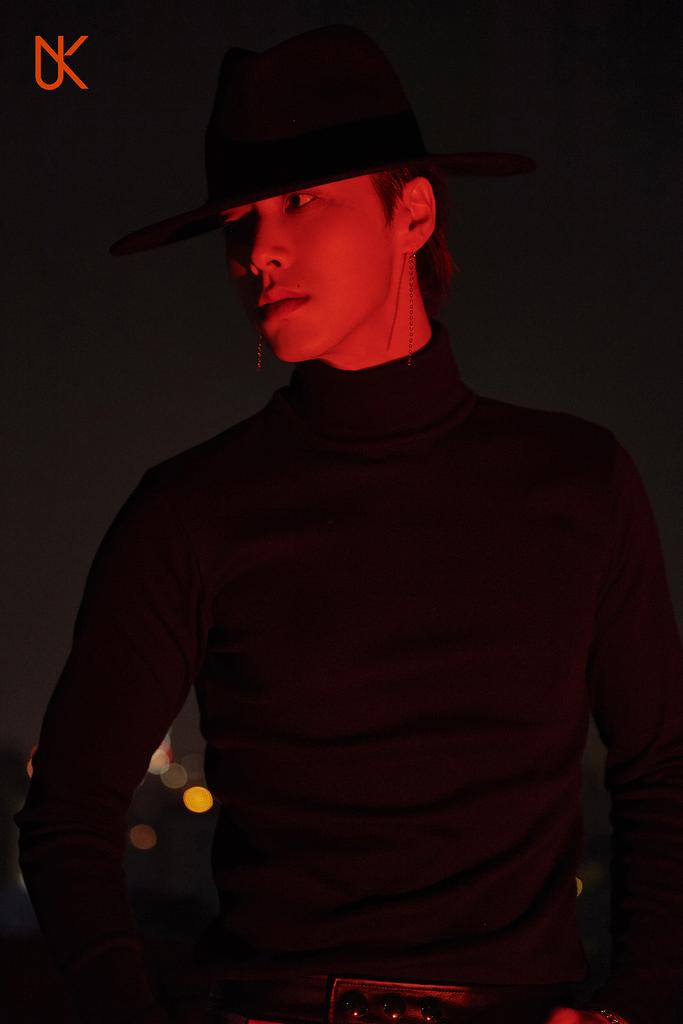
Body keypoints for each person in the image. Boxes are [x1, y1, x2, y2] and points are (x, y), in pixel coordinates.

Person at [14, 22, 683, 1024]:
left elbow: (662, 772)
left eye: (300, 200)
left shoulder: (577, 481)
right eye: (239, 219)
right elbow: (67, 811)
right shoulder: (190, 511)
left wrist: (635, 1003)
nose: (258, 250)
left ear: (411, 212)